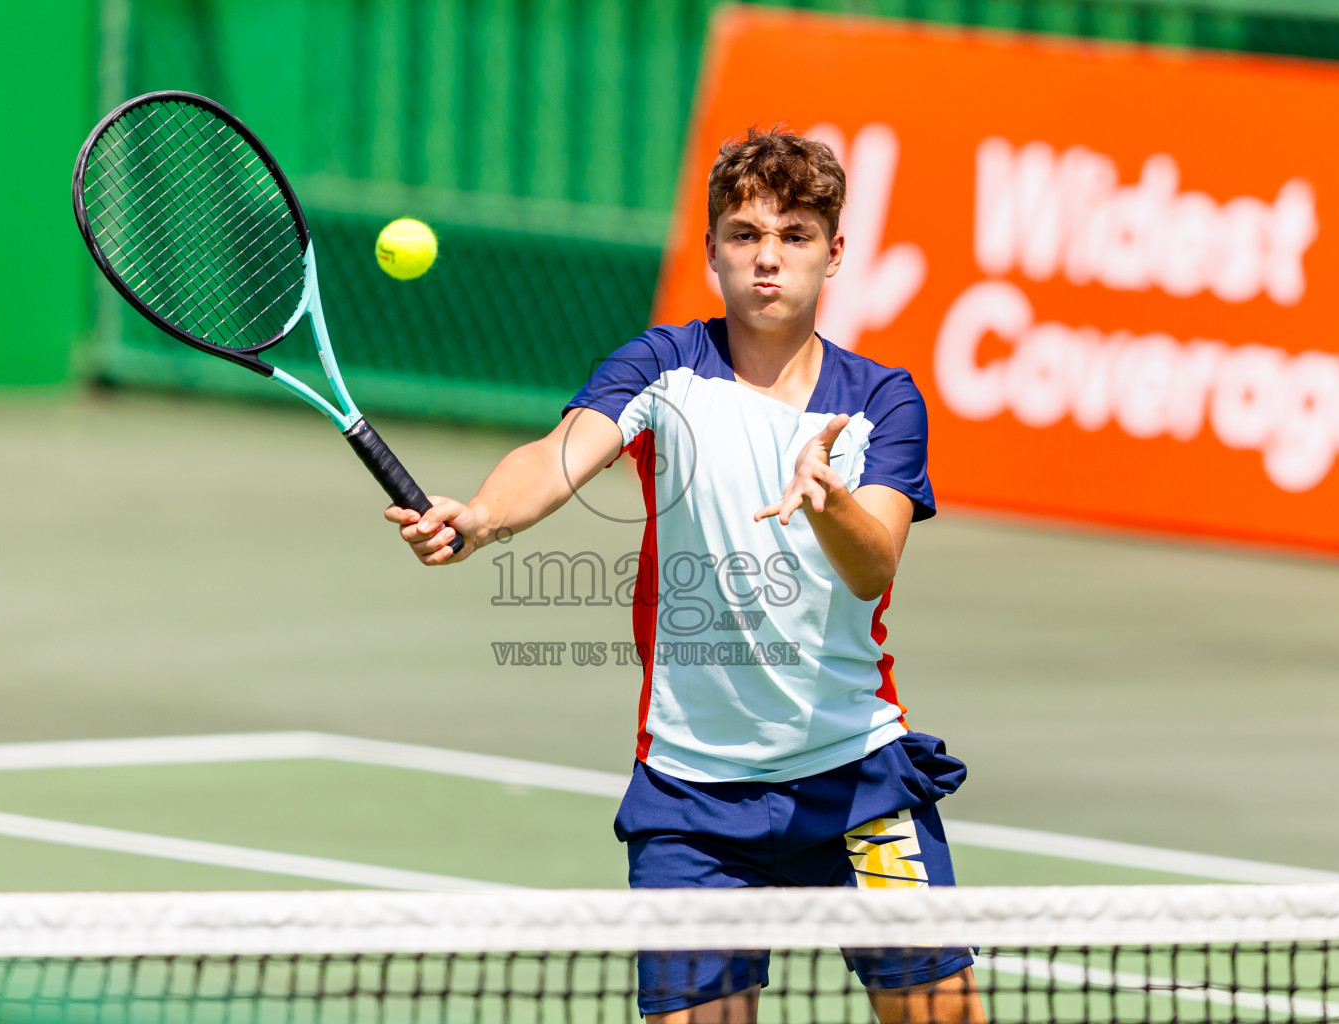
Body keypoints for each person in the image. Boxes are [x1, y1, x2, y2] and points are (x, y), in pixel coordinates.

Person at [385, 125, 981, 1024]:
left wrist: (827, 498)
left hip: (858, 780)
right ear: (711, 253)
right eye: (744, 236)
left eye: (794, 237)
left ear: (834, 254)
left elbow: (875, 564)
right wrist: (479, 518)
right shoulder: (663, 369)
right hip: (691, 798)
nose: (768, 260)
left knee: (942, 1018)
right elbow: (556, 458)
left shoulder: (880, 400)